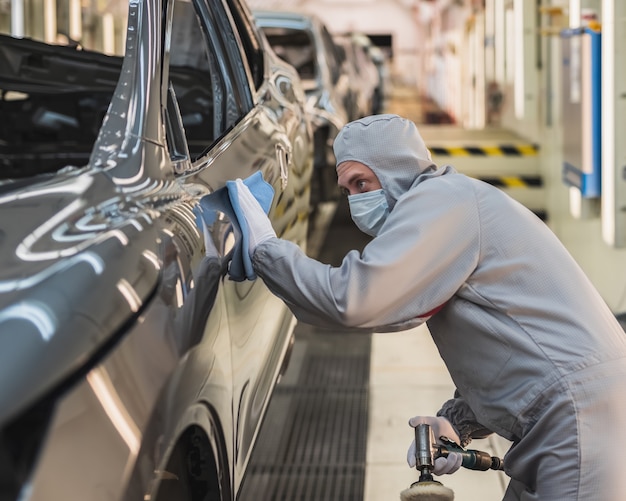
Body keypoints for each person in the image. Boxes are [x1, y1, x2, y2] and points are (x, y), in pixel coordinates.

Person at [230, 113, 626, 500]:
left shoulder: (441, 201)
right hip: (565, 414)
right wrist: (456, 422)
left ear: (395, 170)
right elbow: (506, 343)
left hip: (577, 415)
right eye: (347, 189)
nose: (356, 200)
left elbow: (355, 300)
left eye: (362, 182)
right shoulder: (450, 206)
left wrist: (266, 250)